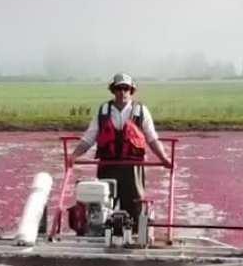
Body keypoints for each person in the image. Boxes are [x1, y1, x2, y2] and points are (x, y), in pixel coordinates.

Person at [69, 73, 171, 227]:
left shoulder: (141, 111)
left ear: (131, 91)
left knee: (135, 205)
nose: (122, 92)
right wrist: (74, 155)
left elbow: (152, 139)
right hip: (107, 166)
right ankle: (102, 234)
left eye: (126, 88)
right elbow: (89, 138)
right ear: (113, 90)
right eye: (118, 88)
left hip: (133, 167)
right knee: (102, 203)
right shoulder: (103, 111)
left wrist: (164, 159)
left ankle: (136, 235)